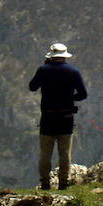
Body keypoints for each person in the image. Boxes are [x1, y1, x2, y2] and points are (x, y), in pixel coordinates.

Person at [29, 43, 87, 190]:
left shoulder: (43, 70)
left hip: (47, 118)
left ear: (51, 56)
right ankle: (63, 183)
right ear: (65, 56)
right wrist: (70, 97)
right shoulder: (73, 71)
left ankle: (45, 182)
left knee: (45, 153)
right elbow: (83, 94)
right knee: (65, 153)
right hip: (66, 117)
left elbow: (32, 87)